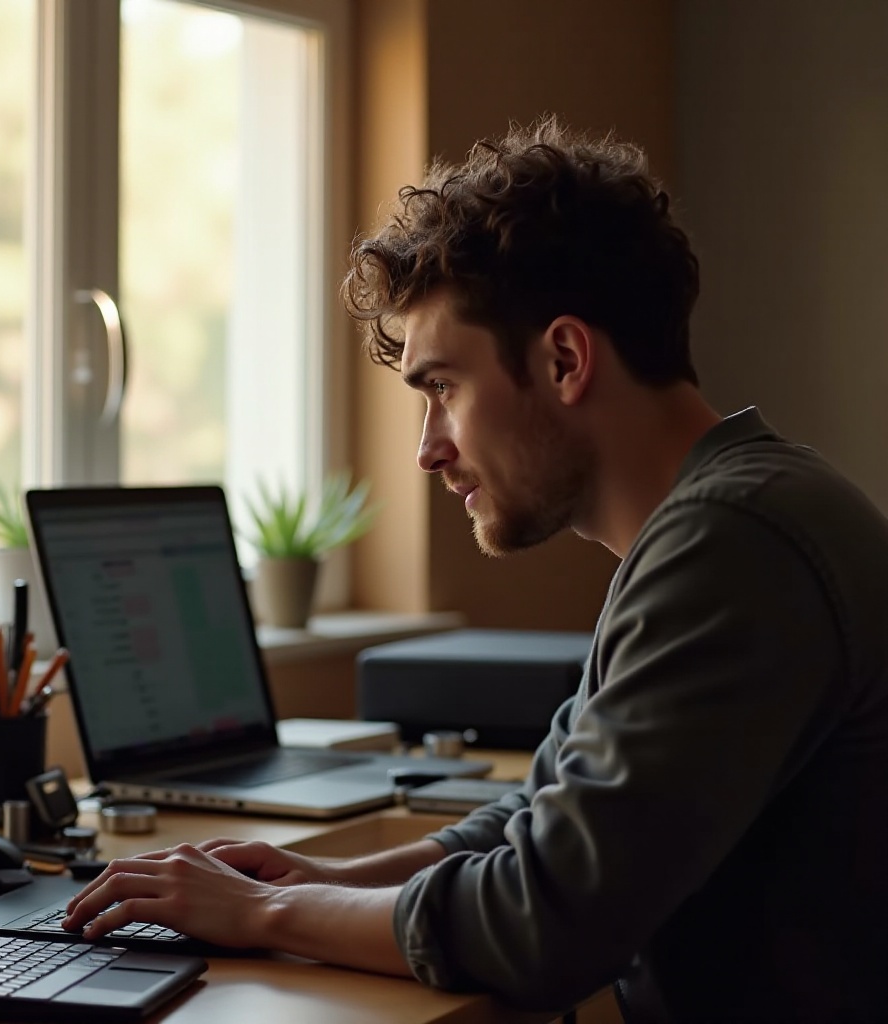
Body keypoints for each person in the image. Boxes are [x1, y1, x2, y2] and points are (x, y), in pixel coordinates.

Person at [62, 117, 888, 1023]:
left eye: (442, 388)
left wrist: (265, 911)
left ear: (565, 358)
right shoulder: (714, 523)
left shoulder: (734, 541)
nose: (427, 449)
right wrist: (331, 878)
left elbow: (541, 922)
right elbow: (539, 821)